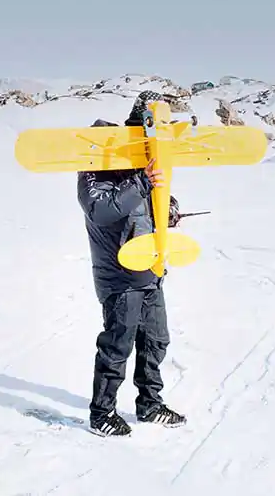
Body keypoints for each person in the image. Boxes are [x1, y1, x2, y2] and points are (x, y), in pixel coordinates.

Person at [76, 90, 187, 437]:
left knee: (156, 340)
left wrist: (168, 211)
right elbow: (100, 209)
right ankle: (102, 413)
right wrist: (141, 182)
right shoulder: (97, 160)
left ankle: (150, 404)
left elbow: (154, 203)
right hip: (118, 276)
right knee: (117, 344)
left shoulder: (145, 161)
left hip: (150, 270)